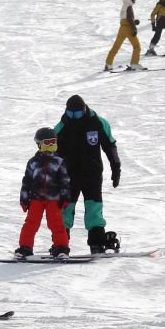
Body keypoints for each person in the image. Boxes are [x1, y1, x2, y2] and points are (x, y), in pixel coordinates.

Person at [54, 95, 121, 254]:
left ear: (84, 110)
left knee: (94, 207)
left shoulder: (97, 123)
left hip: (92, 173)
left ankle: (97, 241)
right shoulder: (61, 127)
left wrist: (116, 167)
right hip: (69, 176)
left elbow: (110, 146)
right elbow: (52, 155)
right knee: (65, 208)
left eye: (77, 114)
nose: (74, 117)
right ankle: (61, 243)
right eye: (70, 114)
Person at [14, 127, 71, 259]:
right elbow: (26, 181)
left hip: (54, 200)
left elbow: (65, 181)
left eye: (53, 142)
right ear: (39, 144)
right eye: (47, 143)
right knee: (31, 223)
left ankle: (61, 248)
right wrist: (24, 199)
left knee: (56, 224)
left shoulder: (59, 162)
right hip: (36, 199)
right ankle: (25, 248)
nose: (51, 145)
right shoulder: (33, 162)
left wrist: (65, 197)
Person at [104, 0, 143, 71]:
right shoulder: (129, 7)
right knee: (137, 46)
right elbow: (129, 19)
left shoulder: (123, 7)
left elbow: (125, 19)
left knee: (116, 46)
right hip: (128, 28)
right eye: (133, 0)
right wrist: (134, 28)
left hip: (122, 28)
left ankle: (108, 64)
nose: (134, 2)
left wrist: (134, 22)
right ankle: (134, 64)